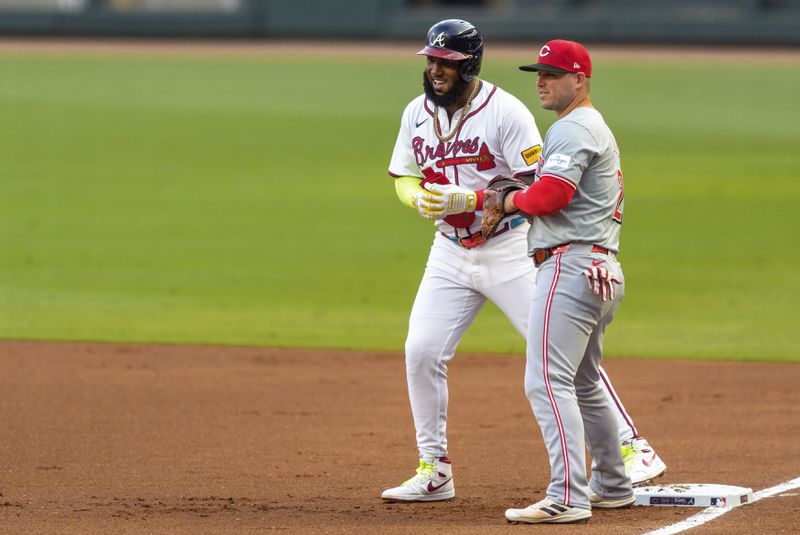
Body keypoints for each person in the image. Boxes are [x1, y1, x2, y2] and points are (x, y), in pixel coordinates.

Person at [381, 21, 665, 503]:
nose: (434, 70)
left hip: (510, 248)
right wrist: (418, 201)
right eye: (430, 61)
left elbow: (539, 186)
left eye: (445, 62)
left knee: (559, 356)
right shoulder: (416, 113)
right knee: (421, 351)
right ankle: (434, 469)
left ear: (469, 63)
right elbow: (403, 174)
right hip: (448, 251)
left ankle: (633, 446)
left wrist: (470, 199)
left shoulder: (506, 112)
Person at [499, 39, 641, 524]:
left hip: (571, 265)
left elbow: (553, 195)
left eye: (553, 74)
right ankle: (613, 484)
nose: (541, 81)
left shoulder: (574, 127)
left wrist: (507, 202)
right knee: (583, 380)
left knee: (546, 380)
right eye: (538, 73)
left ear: (579, 80)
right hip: (600, 268)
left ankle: (568, 496)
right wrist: (522, 194)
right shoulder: (590, 126)